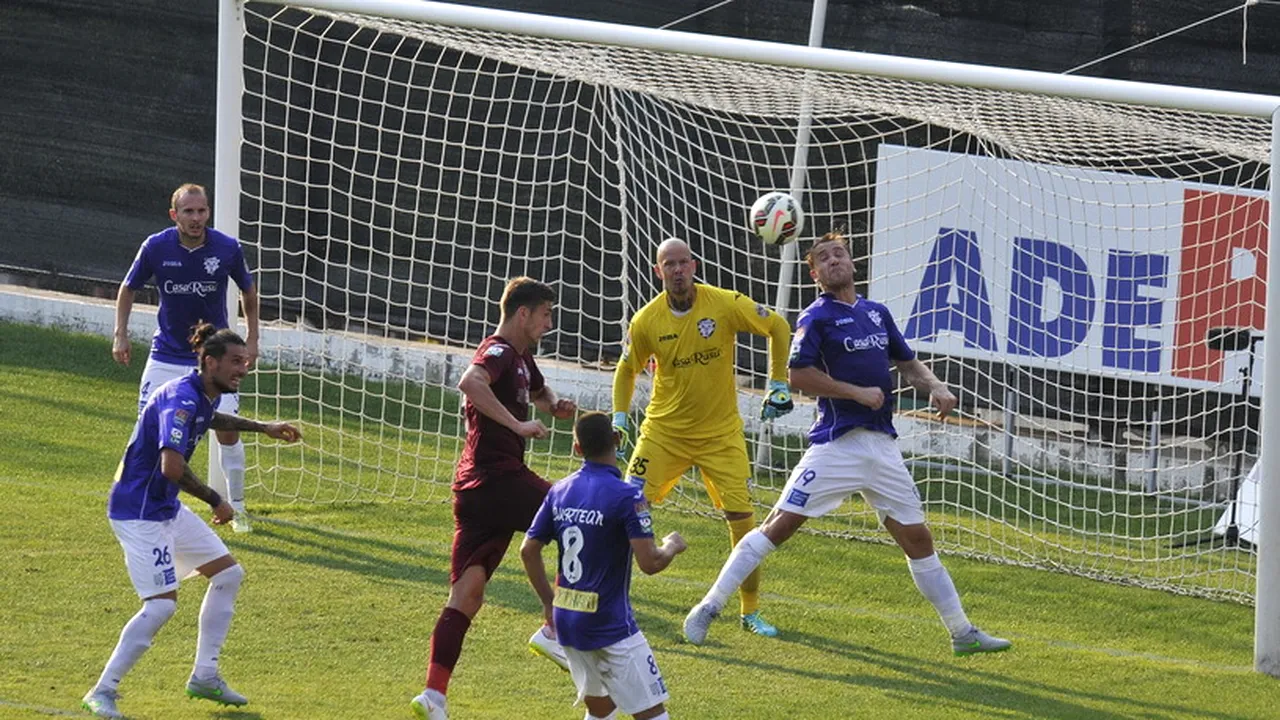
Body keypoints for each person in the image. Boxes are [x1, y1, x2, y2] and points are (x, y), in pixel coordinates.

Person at [682, 232, 1012, 656]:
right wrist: (856, 392)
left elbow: (907, 362)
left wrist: (936, 386)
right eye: (824, 257)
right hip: (837, 445)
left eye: (840, 253)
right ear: (814, 273)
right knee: (779, 526)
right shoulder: (816, 317)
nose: (834, 260)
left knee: (918, 540)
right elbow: (796, 374)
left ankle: (962, 633)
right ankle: (708, 608)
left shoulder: (876, 313)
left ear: (853, 264)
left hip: (882, 448)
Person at [81, 324, 302, 719]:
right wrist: (217, 500)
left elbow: (212, 419)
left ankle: (205, 676)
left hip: (165, 509)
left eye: (245, 362)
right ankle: (102, 691)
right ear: (210, 361)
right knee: (161, 607)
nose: (243, 369)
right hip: (139, 513)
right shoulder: (181, 400)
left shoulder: (199, 392)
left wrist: (262, 428)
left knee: (229, 575)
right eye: (236, 362)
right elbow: (171, 467)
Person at [411, 277, 579, 720]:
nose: (549, 322)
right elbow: (471, 382)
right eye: (545, 314)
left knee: (467, 595)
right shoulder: (501, 350)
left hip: (474, 491)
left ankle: (433, 696)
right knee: (576, 521)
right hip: (498, 478)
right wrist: (517, 425)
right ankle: (553, 627)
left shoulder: (522, 356)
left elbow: (539, 392)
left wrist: (555, 405)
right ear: (523, 314)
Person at [611, 238, 793, 638]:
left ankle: (750, 612)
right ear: (657, 271)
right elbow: (626, 370)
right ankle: (612, 602)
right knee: (624, 507)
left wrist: (778, 382)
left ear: (693, 265)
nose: (677, 271)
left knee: (744, 524)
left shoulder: (723, 303)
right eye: (668, 265)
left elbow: (778, 326)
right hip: (664, 433)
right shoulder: (645, 321)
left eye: (683, 263)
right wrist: (621, 418)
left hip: (720, 436)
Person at [112, 183, 260, 533]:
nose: (196, 218)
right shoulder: (156, 246)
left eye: (202, 211)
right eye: (189, 211)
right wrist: (120, 333)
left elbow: (249, 292)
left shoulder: (226, 248)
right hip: (165, 355)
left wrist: (252, 338)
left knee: (227, 432)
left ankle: (238, 508)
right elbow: (127, 288)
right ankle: (138, 498)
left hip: (215, 358)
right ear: (173, 214)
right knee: (146, 431)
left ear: (208, 212)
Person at [521, 412, 686, 720]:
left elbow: (528, 551)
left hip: (568, 622)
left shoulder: (558, 491)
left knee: (601, 709)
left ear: (576, 448)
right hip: (610, 626)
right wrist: (672, 546)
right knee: (653, 714)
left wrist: (548, 602)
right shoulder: (627, 496)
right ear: (617, 439)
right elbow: (650, 563)